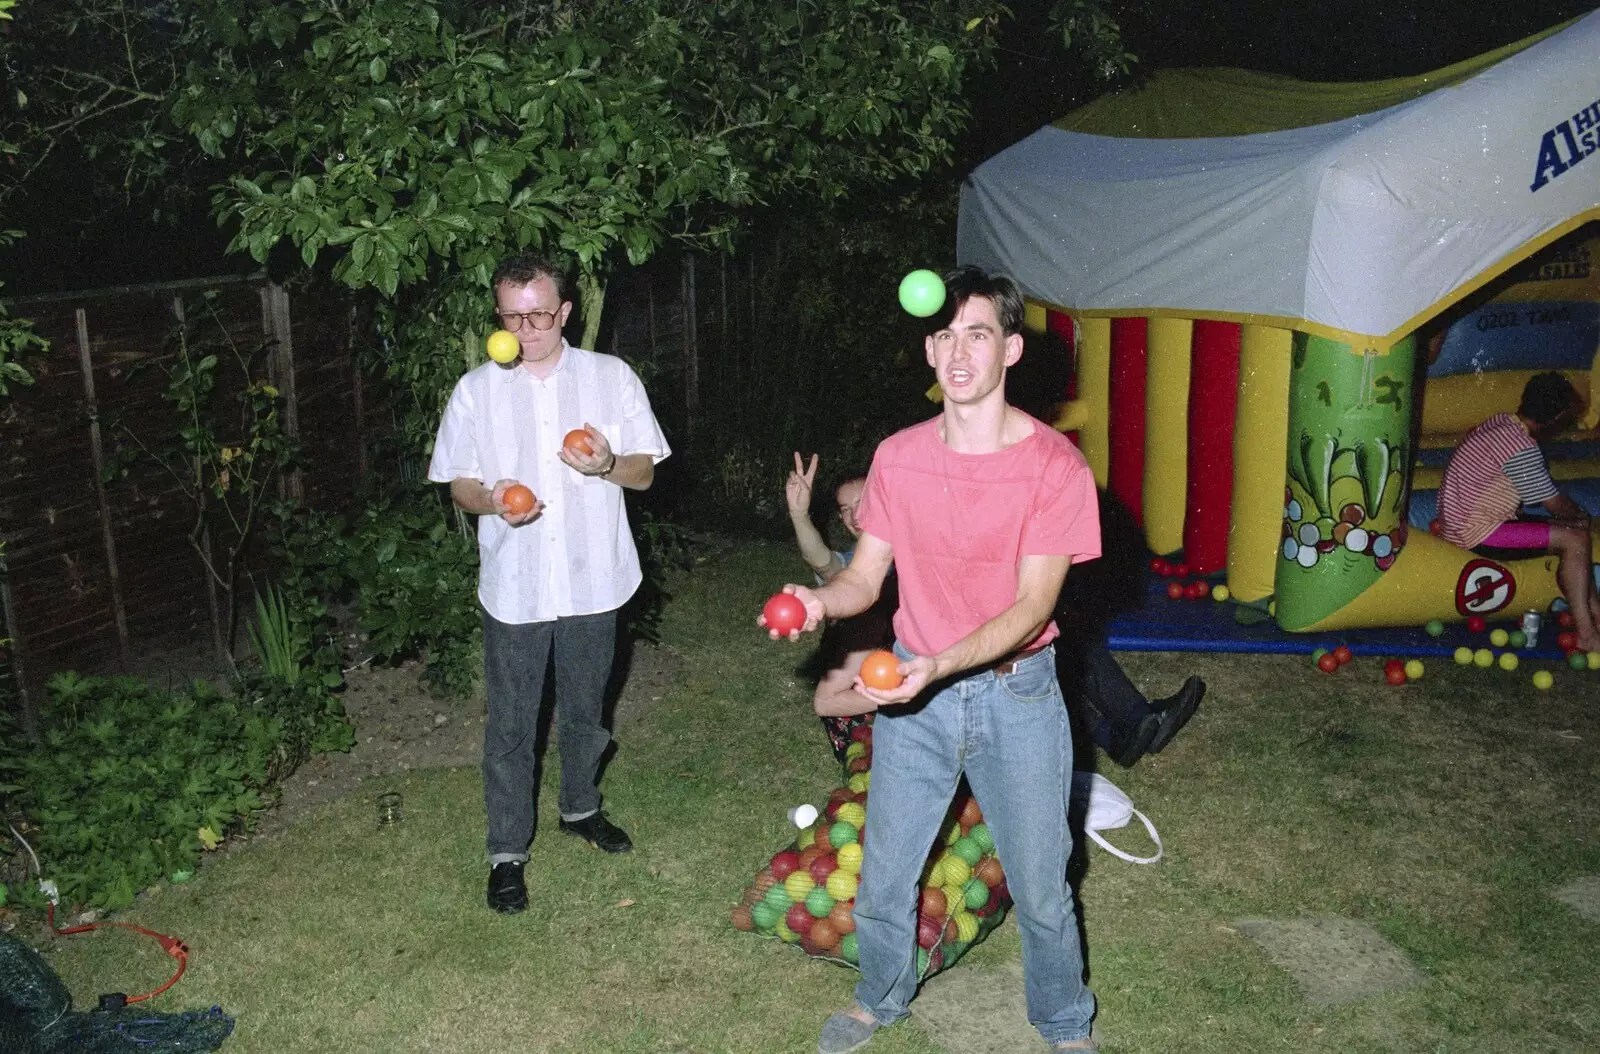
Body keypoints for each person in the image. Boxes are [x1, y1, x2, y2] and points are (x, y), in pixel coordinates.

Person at [767, 266, 1102, 1053]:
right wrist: (820, 601)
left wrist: (938, 664)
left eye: (977, 333)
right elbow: (862, 576)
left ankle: (1064, 1025)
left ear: (1011, 349)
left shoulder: (1056, 466)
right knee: (885, 874)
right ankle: (879, 998)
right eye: (945, 334)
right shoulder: (898, 456)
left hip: (1016, 695)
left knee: (1042, 884)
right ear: (928, 348)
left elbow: (1032, 609)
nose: (959, 351)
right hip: (915, 696)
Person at [428, 252, 671, 915]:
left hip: (597, 580)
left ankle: (580, 807)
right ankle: (507, 852)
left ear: (564, 311)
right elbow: (460, 486)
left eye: (539, 315)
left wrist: (608, 463)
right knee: (511, 724)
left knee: (587, 710)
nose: (526, 329)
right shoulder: (476, 389)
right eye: (513, 316)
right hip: (517, 587)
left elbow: (645, 473)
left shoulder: (610, 378)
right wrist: (495, 495)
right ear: (499, 316)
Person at [788, 455, 1201, 768]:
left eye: (863, 501)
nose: (855, 514)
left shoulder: (923, 541)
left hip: (945, 661)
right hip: (913, 683)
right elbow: (823, 563)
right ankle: (1128, 726)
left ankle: (1129, 725)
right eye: (844, 510)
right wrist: (798, 515)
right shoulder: (854, 567)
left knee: (1047, 639)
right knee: (1022, 657)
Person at [1437, 372, 1600, 652]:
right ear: (1555, 417)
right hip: (1478, 532)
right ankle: (1586, 632)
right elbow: (1554, 504)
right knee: (1576, 539)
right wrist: (1581, 515)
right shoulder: (1522, 448)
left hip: (1463, 521)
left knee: (1576, 535)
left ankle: (1594, 615)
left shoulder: (1501, 423)